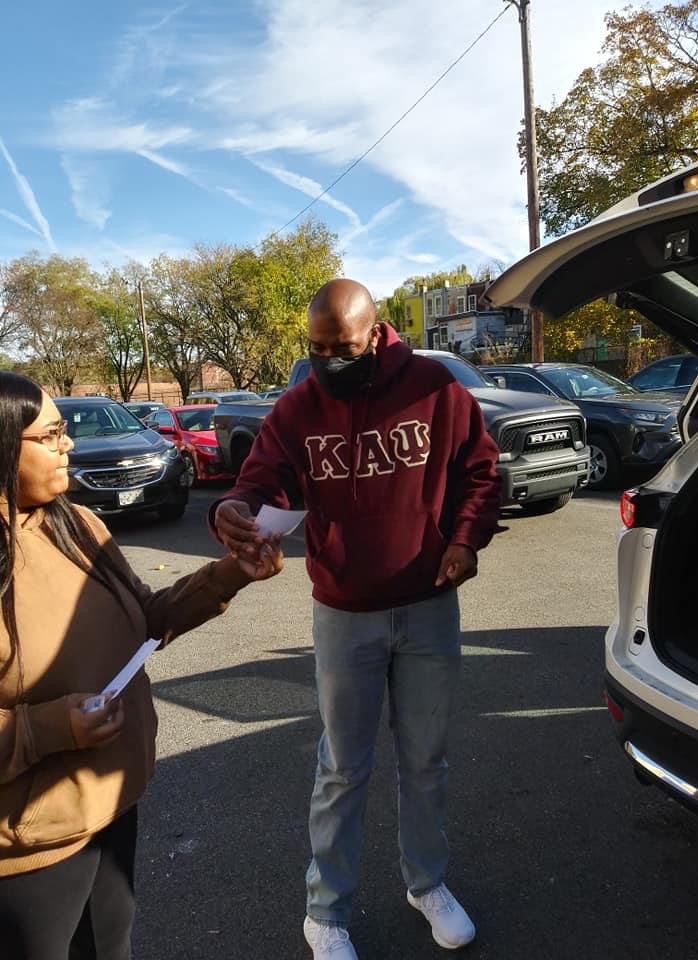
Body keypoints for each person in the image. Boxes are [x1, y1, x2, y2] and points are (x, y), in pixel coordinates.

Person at [212, 278, 501, 959]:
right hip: (345, 614)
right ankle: (326, 912)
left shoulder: (435, 390)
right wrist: (238, 507)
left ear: (378, 334)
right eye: (316, 349)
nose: (328, 361)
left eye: (341, 347)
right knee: (343, 766)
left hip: (428, 605)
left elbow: (481, 473)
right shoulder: (297, 409)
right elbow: (262, 481)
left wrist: (465, 538)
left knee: (426, 759)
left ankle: (426, 883)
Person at [0, 372, 283, 960]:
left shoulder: (76, 523)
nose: (68, 445)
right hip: (31, 846)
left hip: (110, 801)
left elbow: (145, 622)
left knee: (113, 947)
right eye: (51, 435)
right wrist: (53, 727)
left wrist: (231, 572)